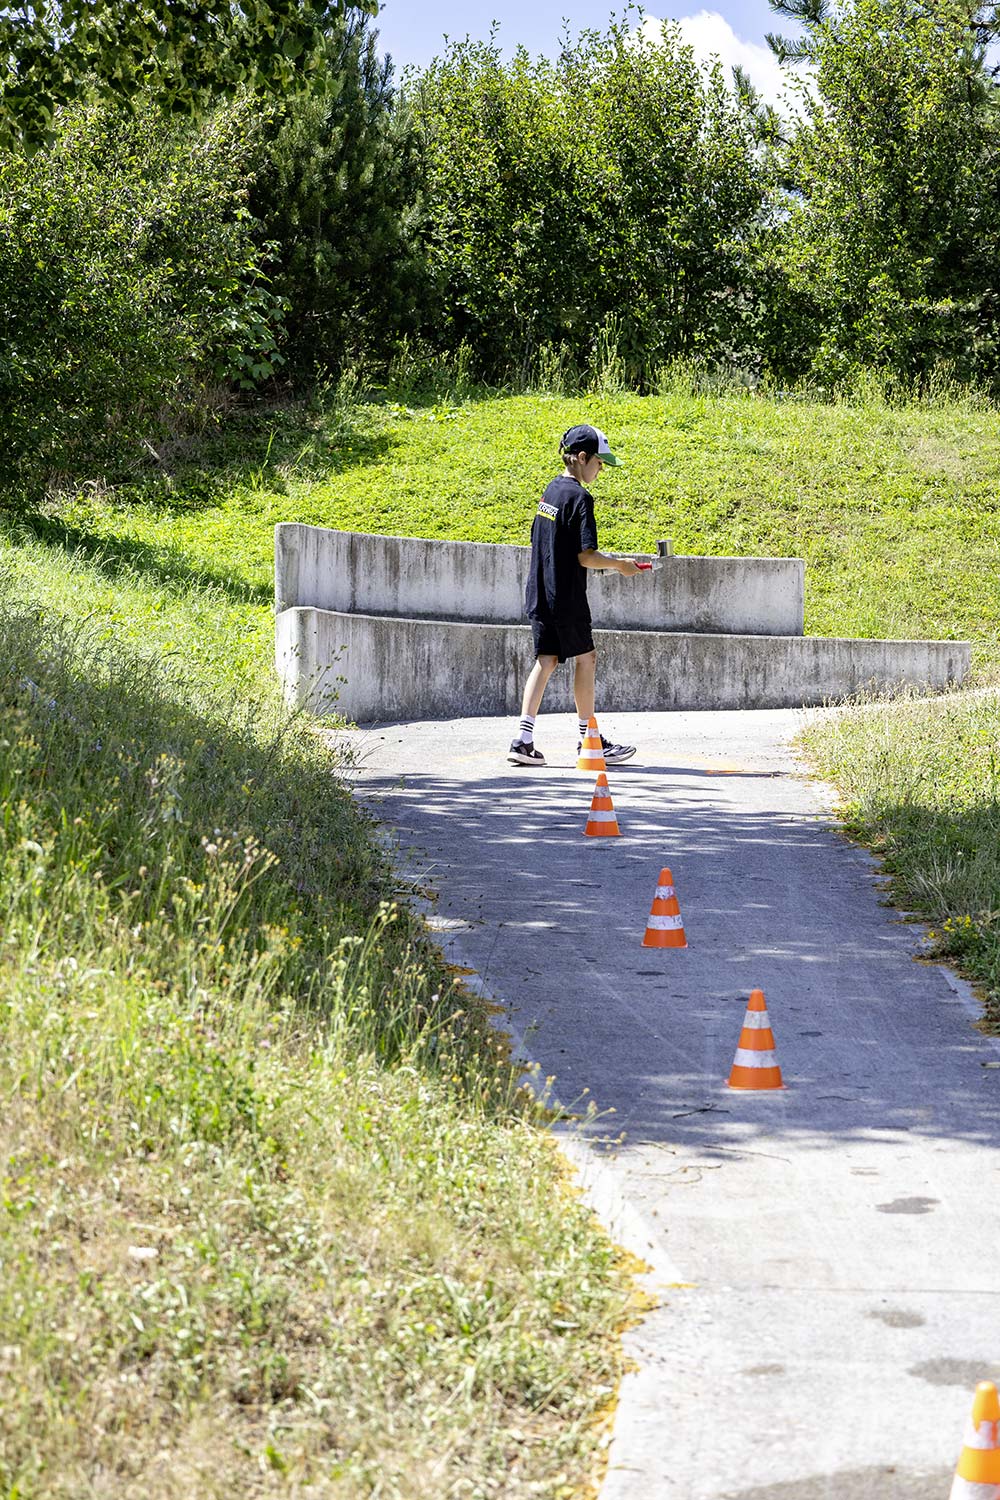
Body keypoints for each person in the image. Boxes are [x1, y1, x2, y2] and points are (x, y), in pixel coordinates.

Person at [507, 423, 645, 767]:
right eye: (599, 463)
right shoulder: (581, 498)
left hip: (540, 592)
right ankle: (589, 738)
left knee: (547, 661)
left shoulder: (550, 492)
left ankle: (523, 740)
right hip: (566, 598)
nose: (600, 469)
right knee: (587, 658)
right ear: (582, 458)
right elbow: (586, 555)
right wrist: (620, 565)